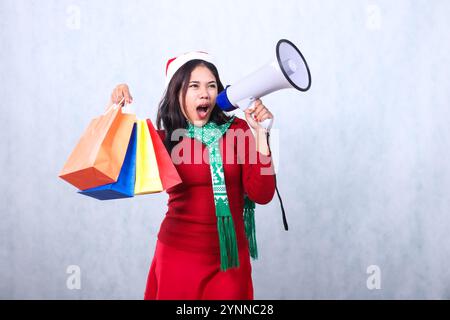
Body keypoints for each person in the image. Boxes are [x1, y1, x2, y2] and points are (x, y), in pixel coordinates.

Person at [110, 51, 276, 300]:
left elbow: (262, 194)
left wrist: (261, 134)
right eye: (194, 86)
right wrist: (119, 112)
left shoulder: (238, 131)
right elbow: (115, 163)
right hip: (178, 257)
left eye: (211, 86)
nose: (204, 93)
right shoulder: (165, 140)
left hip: (229, 259)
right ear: (178, 93)